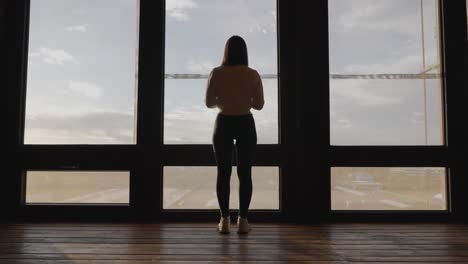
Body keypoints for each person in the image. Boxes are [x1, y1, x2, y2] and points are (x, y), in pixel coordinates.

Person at [205, 35, 264, 234]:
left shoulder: (216, 72)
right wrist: (244, 100)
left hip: (223, 123)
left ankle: (223, 221)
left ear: (226, 51)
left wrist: (223, 100)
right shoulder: (253, 74)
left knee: (223, 173)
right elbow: (259, 105)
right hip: (245, 123)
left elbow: (208, 102)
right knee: (245, 174)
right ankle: (243, 221)